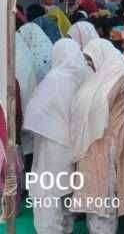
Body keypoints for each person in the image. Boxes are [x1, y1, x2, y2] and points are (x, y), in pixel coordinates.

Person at [70, 38, 124, 233]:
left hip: (110, 141)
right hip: (95, 141)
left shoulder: (118, 74)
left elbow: (100, 106)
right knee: (96, 193)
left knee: (106, 193)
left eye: (91, 60)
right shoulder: (101, 76)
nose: (90, 65)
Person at [23, 39, 88, 234]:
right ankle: (66, 228)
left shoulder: (55, 78)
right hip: (75, 144)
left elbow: (34, 111)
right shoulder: (84, 76)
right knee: (67, 190)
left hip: (52, 145)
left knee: (48, 192)